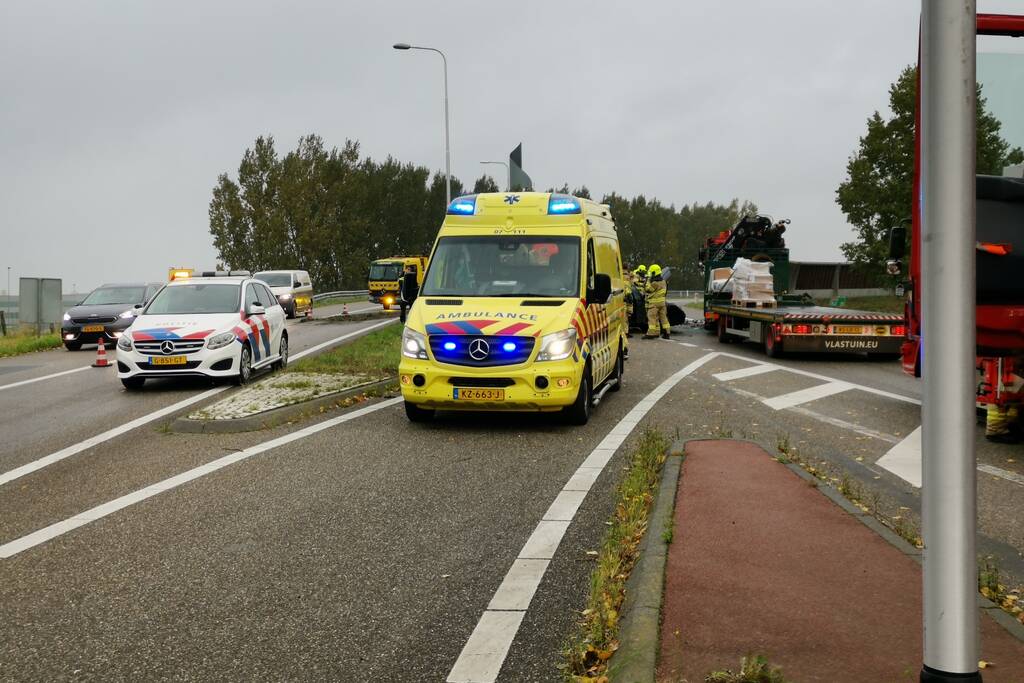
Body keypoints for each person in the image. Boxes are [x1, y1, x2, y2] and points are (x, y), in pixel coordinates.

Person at [643, 264, 670, 340]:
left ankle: (651, 333)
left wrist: (647, 280)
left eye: (651, 273)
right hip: (662, 303)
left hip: (654, 304)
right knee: (663, 318)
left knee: (652, 318)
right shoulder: (663, 281)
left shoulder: (654, 283)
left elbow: (648, 289)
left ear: (654, 273)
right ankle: (666, 333)